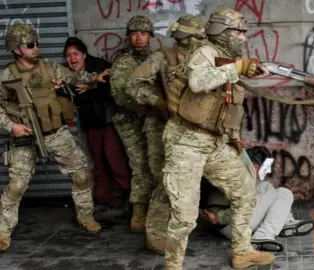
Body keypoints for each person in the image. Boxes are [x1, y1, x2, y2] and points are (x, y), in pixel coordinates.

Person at [160, 7, 274, 269]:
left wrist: (234, 137)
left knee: (245, 190)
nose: (243, 39)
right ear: (222, 32)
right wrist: (238, 68)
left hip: (214, 143)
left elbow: (224, 106)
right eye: (238, 33)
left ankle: (242, 252)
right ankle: (173, 265)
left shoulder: (224, 58)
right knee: (185, 215)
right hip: (185, 143)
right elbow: (198, 82)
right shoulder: (205, 53)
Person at [0, 23, 108, 251]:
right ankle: (2, 232)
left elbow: (73, 78)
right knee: (17, 185)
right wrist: (12, 126)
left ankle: (86, 216)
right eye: (30, 45)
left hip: (55, 133)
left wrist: (92, 79)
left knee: (80, 173)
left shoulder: (49, 67)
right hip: (24, 137)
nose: (36, 48)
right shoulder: (7, 76)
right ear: (17, 49)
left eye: (37, 43)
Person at [125, 15, 208, 254]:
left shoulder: (205, 59)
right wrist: (158, 102)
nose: (196, 42)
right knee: (165, 181)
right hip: (161, 127)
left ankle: (179, 231)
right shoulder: (161, 58)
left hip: (194, 131)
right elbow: (132, 85)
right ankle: (156, 236)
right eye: (193, 37)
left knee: (188, 182)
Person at [63, 37, 131, 219]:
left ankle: (130, 199)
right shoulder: (68, 74)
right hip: (91, 124)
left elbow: (113, 87)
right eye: (68, 55)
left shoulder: (100, 65)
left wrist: (91, 85)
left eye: (76, 54)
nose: (72, 58)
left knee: (115, 159)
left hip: (109, 121)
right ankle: (103, 200)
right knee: (98, 162)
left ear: (84, 54)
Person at [201, 146, 314, 252]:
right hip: (232, 227)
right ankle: (264, 234)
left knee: (270, 188)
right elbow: (240, 207)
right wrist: (219, 218)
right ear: (255, 166)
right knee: (277, 193)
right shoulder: (240, 179)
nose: (268, 172)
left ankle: (285, 222)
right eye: (266, 168)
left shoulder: (245, 174)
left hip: (239, 222)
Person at [109, 15, 155, 232]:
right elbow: (119, 95)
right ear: (128, 36)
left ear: (150, 37)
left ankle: (154, 209)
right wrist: (148, 106)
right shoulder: (124, 62)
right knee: (140, 164)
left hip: (151, 120)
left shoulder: (154, 59)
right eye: (135, 33)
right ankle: (138, 212)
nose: (139, 38)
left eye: (144, 34)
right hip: (130, 121)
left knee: (155, 163)